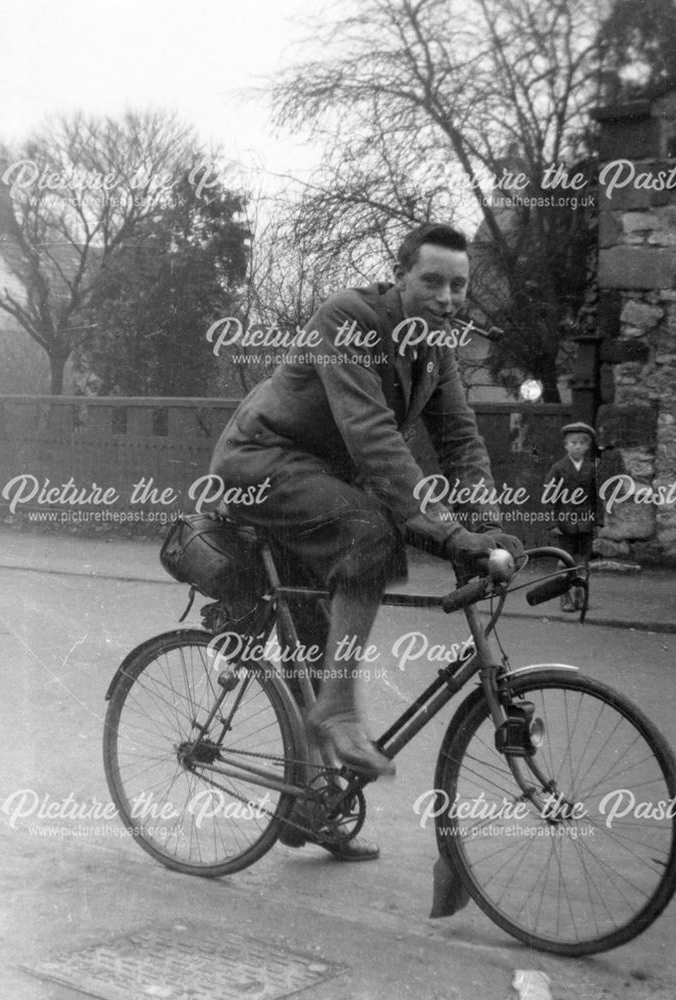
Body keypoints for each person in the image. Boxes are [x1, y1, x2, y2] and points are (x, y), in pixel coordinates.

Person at [209, 222, 523, 858]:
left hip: (320, 480)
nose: (446, 298)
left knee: (318, 639)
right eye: (432, 281)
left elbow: (461, 440)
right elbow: (373, 437)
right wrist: (447, 533)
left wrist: (483, 523)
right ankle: (340, 713)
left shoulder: (435, 350)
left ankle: (306, 809)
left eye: (459, 286)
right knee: (369, 534)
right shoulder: (348, 317)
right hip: (261, 462)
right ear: (400, 276)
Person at [545, 422, 598, 611]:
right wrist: (552, 523)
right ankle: (564, 596)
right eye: (573, 442)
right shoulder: (559, 468)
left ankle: (581, 595)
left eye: (582, 443)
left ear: (587, 447)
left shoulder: (592, 469)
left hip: (585, 523)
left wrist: (598, 522)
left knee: (583, 561)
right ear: (566, 445)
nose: (577, 446)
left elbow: (597, 497)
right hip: (565, 523)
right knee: (564, 562)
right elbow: (549, 496)